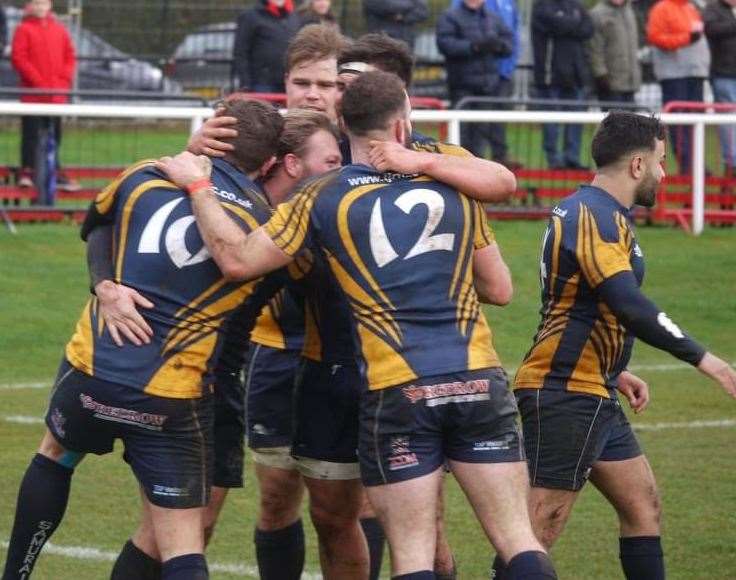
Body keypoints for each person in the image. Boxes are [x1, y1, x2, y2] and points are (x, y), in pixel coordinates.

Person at [155, 70, 556, 580]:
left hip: (398, 389)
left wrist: (199, 187)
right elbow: (503, 199)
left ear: (342, 125)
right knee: (518, 541)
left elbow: (238, 261)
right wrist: (427, 163)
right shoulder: (453, 182)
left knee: (411, 556)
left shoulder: (320, 196)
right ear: (403, 125)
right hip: (479, 379)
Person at [1, 98, 285, 580]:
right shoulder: (268, 223)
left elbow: (96, 223)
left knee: (54, 455)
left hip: (94, 372)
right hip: (170, 398)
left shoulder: (143, 174)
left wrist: (107, 285)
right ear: (272, 163)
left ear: (210, 133)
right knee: (181, 543)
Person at [504, 111, 736, 580]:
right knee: (535, 531)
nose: (664, 173)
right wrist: (706, 360)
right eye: (661, 161)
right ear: (636, 165)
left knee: (642, 506)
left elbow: (578, 304)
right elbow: (628, 303)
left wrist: (615, 366)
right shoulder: (593, 215)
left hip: (592, 385)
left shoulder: (597, 213)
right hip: (566, 392)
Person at [11, 0, 80, 194]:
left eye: (43, 3)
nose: (40, 7)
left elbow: (70, 56)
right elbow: (19, 58)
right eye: (36, 3)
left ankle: (55, 171)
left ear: (50, 5)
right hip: (33, 96)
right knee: (31, 135)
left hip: (56, 96)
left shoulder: (59, 30)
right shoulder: (23, 29)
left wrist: (63, 81)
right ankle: (27, 172)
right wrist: (38, 82)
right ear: (30, 6)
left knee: (55, 136)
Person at [436, 0, 514, 162]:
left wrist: (497, 46)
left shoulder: (493, 17)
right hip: (461, 85)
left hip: (487, 86)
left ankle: (478, 170)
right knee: (461, 132)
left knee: (481, 131)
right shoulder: (450, 16)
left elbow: (509, 44)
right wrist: (474, 47)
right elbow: (445, 44)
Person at [646, 0, 710, 174]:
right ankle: (688, 165)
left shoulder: (691, 8)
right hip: (674, 75)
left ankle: (696, 163)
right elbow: (656, 37)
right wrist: (686, 39)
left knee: (696, 121)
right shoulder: (661, 9)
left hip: (695, 74)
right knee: (679, 123)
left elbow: (698, 35)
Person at [531, 0, 594, 169]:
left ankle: (571, 158)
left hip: (575, 74)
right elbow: (560, 25)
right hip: (550, 75)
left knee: (575, 119)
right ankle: (554, 160)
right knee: (552, 120)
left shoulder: (576, 6)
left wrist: (569, 23)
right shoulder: (541, 6)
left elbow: (588, 29)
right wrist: (573, 22)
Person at [233, 0, 301, 92]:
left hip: (287, 81)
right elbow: (240, 51)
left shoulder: (294, 16)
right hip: (261, 83)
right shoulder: (250, 16)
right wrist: (245, 82)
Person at [587, 0, 642, 105]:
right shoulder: (597, 14)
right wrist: (601, 75)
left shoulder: (629, 11)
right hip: (610, 83)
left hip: (630, 83)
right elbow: (594, 48)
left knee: (630, 119)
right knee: (614, 119)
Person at [704, 0, 736, 177]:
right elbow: (710, 30)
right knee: (728, 123)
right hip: (724, 74)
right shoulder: (713, 9)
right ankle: (731, 164)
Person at [362, 0, 429, 50]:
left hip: (406, 42)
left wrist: (403, 17)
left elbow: (423, 12)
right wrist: (411, 5)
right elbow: (388, 6)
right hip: (381, 41)